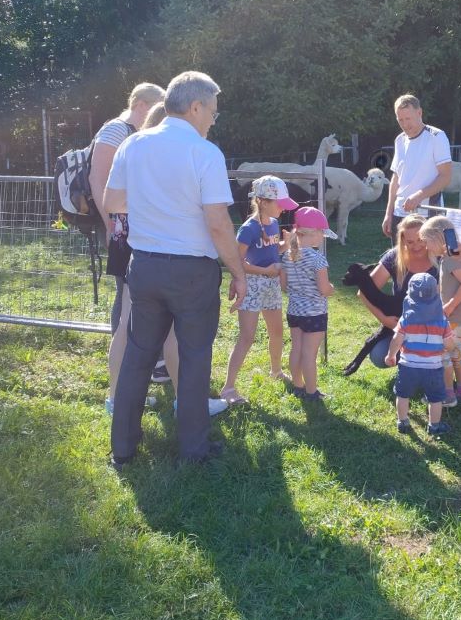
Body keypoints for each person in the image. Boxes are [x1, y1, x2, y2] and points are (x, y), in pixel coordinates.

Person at [102, 70, 245, 469]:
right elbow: (217, 221)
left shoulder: (133, 144)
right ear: (196, 106)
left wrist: (154, 209)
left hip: (143, 265)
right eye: (213, 112)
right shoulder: (204, 152)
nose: (214, 120)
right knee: (195, 356)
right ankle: (194, 449)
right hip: (192, 272)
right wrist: (238, 271)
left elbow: (114, 202)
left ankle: (124, 449)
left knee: (138, 356)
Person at [103, 101, 228, 418]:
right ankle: (167, 402)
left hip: (135, 245)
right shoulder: (170, 154)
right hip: (150, 247)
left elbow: (114, 201)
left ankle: (126, 400)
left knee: (138, 328)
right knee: (150, 330)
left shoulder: (136, 152)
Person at [90, 82, 165, 334]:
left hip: (132, 223)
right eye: (156, 107)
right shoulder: (116, 130)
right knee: (125, 290)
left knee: (141, 291)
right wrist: (109, 224)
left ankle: (144, 354)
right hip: (119, 225)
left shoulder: (138, 133)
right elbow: (97, 179)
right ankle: (122, 354)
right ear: (141, 104)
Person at [219, 175, 297, 405]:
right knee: (247, 337)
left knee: (277, 332)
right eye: (279, 203)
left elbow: (273, 249)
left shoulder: (273, 224)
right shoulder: (249, 229)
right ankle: (228, 387)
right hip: (252, 285)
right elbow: (236, 261)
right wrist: (265, 272)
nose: (283, 208)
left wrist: (288, 242)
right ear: (263, 201)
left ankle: (276, 370)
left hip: (271, 285)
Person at [358, 214, 439, 368]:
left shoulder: (440, 256)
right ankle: (410, 363)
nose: (416, 246)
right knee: (379, 355)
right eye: (410, 242)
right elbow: (363, 292)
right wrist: (384, 319)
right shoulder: (394, 257)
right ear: (402, 240)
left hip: (433, 325)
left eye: (421, 240)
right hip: (402, 325)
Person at [418, 216, 461, 407]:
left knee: (442, 354)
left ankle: (446, 395)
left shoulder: (452, 259)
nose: (426, 247)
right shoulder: (450, 257)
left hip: (459, 316)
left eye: (427, 242)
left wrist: (451, 305)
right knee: (456, 354)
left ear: (438, 237)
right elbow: (450, 284)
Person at [384, 273, 456, 436]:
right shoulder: (443, 321)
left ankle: (402, 422)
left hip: (408, 365)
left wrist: (391, 355)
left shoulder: (406, 320)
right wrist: (449, 349)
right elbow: (449, 344)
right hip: (433, 367)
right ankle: (434, 426)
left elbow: (397, 340)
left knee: (402, 394)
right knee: (435, 398)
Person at [280, 206, 336, 401]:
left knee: (296, 348)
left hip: (294, 311)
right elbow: (323, 289)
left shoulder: (287, 256)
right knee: (309, 354)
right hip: (315, 313)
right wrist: (331, 288)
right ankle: (312, 392)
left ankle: (298, 385)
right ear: (314, 234)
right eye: (322, 233)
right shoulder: (318, 259)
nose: (323, 238)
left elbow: (284, 285)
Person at [381, 95, 452, 243]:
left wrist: (419, 196)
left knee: (428, 264)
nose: (405, 124)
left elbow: (445, 177)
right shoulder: (399, 140)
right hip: (399, 214)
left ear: (419, 113)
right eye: (400, 120)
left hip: (427, 214)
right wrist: (388, 213)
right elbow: (395, 179)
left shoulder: (437, 137)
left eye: (408, 119)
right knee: (400, 264)